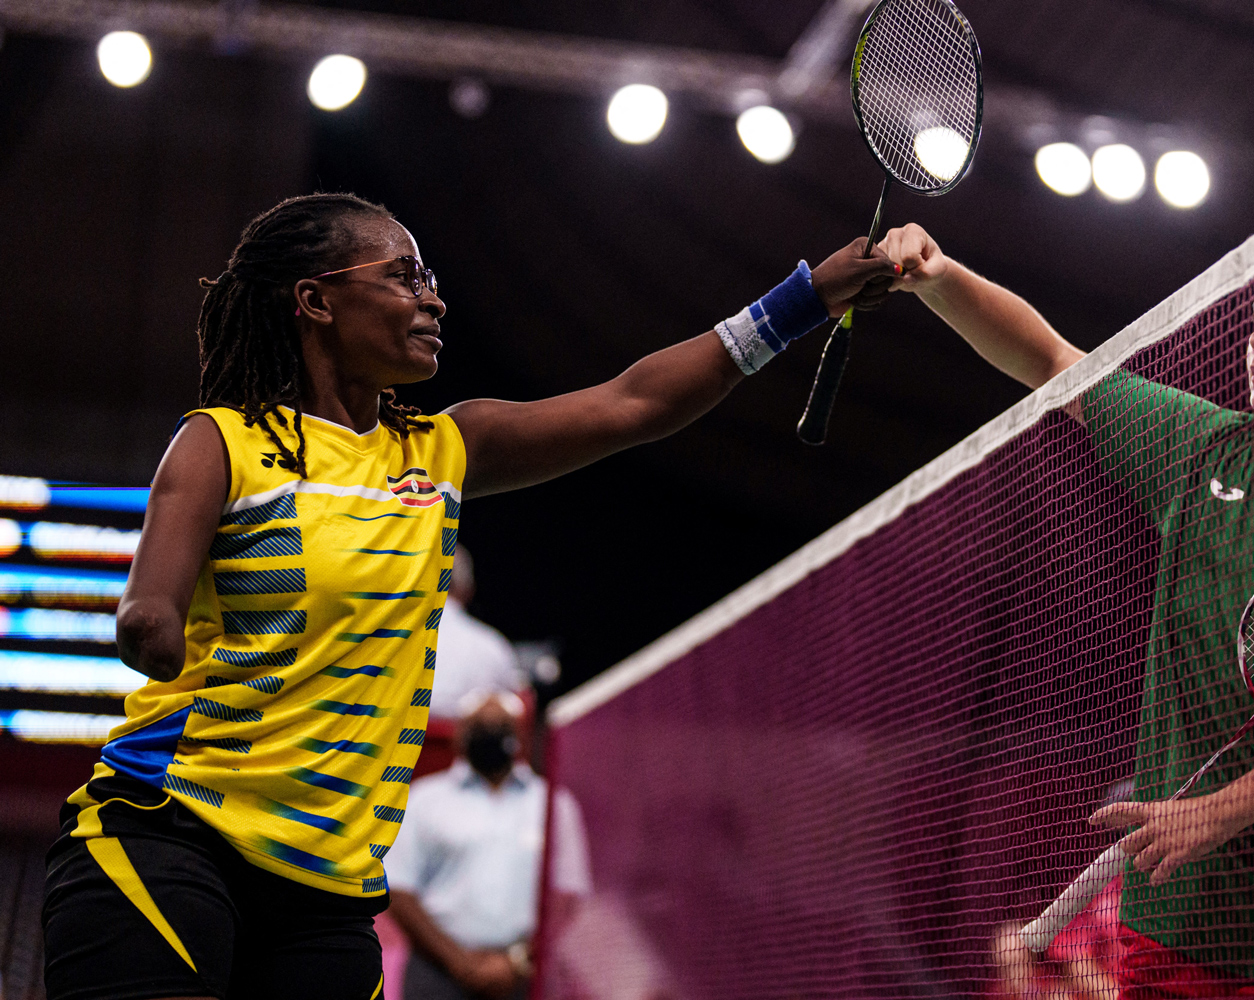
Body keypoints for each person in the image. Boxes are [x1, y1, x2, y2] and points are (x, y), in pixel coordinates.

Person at [41, 192, 897, 1000]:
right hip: (172, 833)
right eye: (404, 276)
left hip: (329, 891)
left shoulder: (444, 451)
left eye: (433, 281)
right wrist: (149, 626)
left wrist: (804, 301)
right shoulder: (224, 442)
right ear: (315, 300)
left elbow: (636, 403)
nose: (433, 300)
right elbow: (148, 604)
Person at [875, 222, 1254, 1000]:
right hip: (1175, 920)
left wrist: (1213, 815)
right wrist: (940, 278)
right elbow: (1051, 361)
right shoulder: (1203, 455)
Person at [384, 691, 588, 1000]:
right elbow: (398, 890)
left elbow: (568, 893)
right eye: (479, 725)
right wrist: (461, 964)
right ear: (459, 733)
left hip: (526, 974)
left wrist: (517, 961)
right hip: (437, 973)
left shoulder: (553, 803)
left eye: (500, 726)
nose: (490, 734)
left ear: (519, 732)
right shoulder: (423, 801)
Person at [428, 545, 525, 719]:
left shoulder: (392, 642)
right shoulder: (492, 646)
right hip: (472, 744)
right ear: (468, 590)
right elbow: (519, 710)